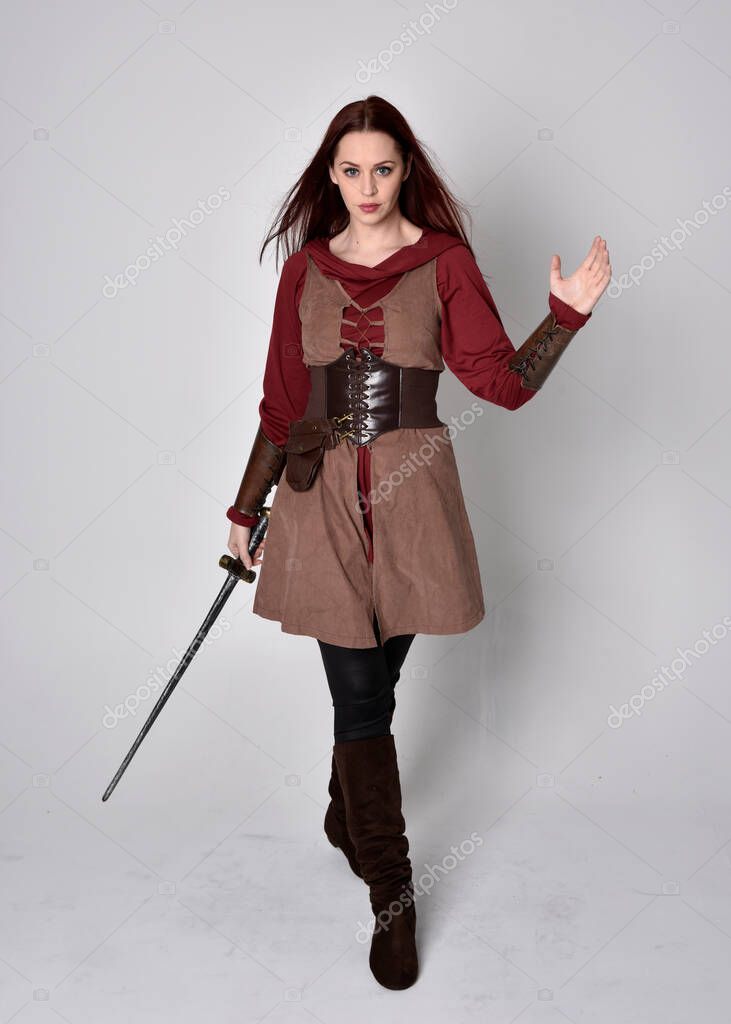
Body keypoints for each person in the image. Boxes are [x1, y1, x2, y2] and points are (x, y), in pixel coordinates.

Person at [225, 95, 611, 990]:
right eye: (350, 170)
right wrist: (245, 511)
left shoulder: (444, 263)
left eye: (383, 168)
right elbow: (282, 403)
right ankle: (391, 893)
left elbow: (500, 384)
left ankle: (343, 813)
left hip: (413, 499)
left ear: (405, 170)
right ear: (331, 175)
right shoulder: (304, 270)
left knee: (375, 683)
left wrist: (563, 319)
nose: (367, 186)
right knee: (361, 698)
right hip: (319, 498)